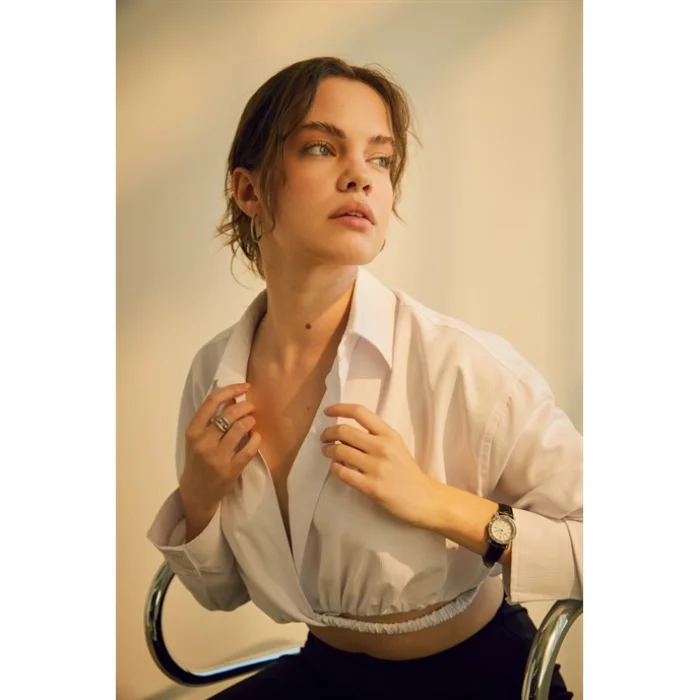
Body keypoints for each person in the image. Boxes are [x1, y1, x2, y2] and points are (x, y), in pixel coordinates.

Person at [147, 56, 582, 700]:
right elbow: (220, 593)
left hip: (480, 677)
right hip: (323, 672)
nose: (361, 176)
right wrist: (200, 496)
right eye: (322, 148)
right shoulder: (214, 375)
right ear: (249, 191)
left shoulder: (462, 365)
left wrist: (437, 504)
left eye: (381, 159)